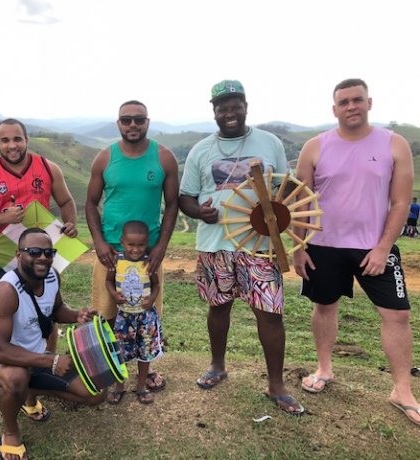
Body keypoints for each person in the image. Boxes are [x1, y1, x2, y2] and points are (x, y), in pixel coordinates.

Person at [293, 78, 420, 426]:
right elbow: (299, 201)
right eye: (344, 102)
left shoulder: (394, 144)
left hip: (373, 247)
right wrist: (299, 248)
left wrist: (383, 248)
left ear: (369, 103)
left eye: (357, 100)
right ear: (334, 109)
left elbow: (400, 202)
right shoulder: (314, 148)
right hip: (323, 245)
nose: (351, 106)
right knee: (324, 306)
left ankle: (402, 391)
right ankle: (324, 369)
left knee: (396, 314)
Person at [179, 80, 304, 415]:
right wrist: (199, 213)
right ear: (214, 111)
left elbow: (285, 189)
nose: (229, 112)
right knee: (218, 308)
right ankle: (217, 366)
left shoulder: (270, 143)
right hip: (214, 243)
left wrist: (284, 222)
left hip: (259, 245)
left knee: (270, 313)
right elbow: (185, 197)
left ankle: (276, 385)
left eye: (235, 105)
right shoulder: (200, 150)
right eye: (222, 107)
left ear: (246, 106)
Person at [0, 117, 78, 420]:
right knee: (11, 323)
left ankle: (37, 384)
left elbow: (67, 201)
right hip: (4, 260)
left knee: (46, 317)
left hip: (44, 259)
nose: (12, 145)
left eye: (17, 139)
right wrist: (5, 219)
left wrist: (70, 223)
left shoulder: (47, 167)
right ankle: (11, 381)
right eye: (5, 140)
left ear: (27, 139)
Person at [0, 228, 106, 459]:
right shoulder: (6, 290)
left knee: (96, 392)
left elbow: (55, 310)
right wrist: (51, 360)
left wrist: (76, 316)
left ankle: (29, 395)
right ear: (18, 255)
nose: (43, 258)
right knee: (17, 378)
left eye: (48, 252)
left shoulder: (53, 276)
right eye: (34, 252)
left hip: (36, 360)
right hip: (0, 367)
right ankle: (10, 432)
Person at [85, 100, 178, 393]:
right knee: (108, 316)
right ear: (118, 124)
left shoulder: (164, 158)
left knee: (145, 315)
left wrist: (162, 246)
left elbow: (173, 204)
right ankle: (114, 376)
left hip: (148, 255)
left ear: (148, 121)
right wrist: (99, 242)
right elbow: (90, 203)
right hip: (110, 252)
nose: (133, 125)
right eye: (127, 120)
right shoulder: (104, 158)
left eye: (139, 119)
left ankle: (142, 375)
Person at [105, 220, 163, 405]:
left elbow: (156, 284)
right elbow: (108, 281)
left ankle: (141, 387)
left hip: (146, 317)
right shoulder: (117, 261)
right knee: (119, 351)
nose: (136, 249)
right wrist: (114, 295)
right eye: (131, 244)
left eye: (141, 245)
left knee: (145, 351)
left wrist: (152, 298)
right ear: (122, 242)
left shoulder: (148, 262)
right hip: (124, 316)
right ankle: (119, 386)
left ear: (147, 243)